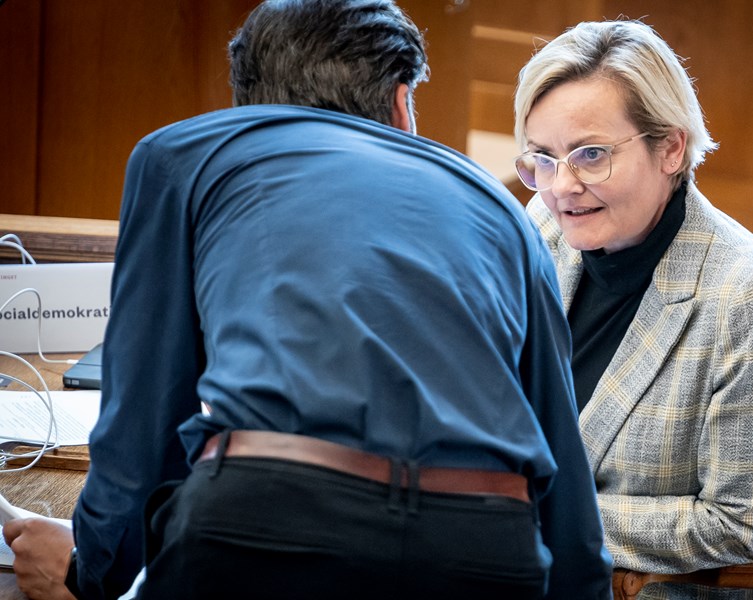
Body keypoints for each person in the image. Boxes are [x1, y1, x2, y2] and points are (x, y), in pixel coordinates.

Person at [2, 1, 612, 599]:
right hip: (486, 548)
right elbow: (564, 478)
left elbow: (146, 415)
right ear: (403, 103)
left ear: (245, 106)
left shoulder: (185, 153)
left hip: (261, 522)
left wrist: (91, 570)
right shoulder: (502, 207)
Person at [513, 20, 753, 598]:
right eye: (543, 159)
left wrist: (536, 510)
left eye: (591, 155)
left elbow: (738, 524)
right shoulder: (544, 227)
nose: (561, 186)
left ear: (671, 147)